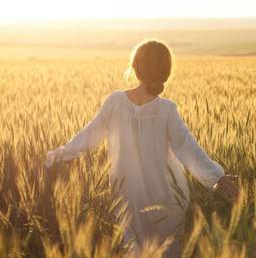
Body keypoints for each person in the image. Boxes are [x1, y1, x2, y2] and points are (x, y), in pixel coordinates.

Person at [44, 39, 239, 257]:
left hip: (127, 198)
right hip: (167, 200)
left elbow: (88, 137)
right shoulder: (166, 110)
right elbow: (188, 149)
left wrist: (55, 156)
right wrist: (217, 177)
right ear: (166, 72)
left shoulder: (115, 102)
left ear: (135, 68)